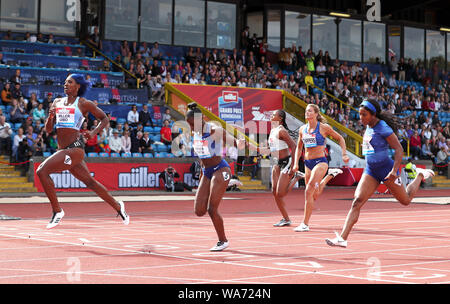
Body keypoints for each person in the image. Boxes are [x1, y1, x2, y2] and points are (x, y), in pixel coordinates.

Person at [325, 99, 435, 248]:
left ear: (373, 114)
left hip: (386, 170)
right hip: (371, 170)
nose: (361, 118)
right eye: (360, 115)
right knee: (357, 201)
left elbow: (399, 149)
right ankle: (343, 238)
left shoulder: (382, 127)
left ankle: (420, 175)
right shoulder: (368, 127)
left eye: (364, 115)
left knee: (406, 200)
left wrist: (394, 170)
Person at [36, 74, 129, 229]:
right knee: (90, 182)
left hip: (75, 148)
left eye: (69, 82)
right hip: (63, 149)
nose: (65, 84)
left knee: (42, 171)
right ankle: (118, 206)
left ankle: (57, 211)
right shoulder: (57, 102)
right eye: (65, 82)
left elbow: (104, 118)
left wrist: (93, 132)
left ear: (78, 86)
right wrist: (51, 116)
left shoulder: (84, 103)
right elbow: (48, 129)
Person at [186, 102, 245, 251]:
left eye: (193, 124)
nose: (192, 128)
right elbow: (201, 156)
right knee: (199, 211)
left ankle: (223, 241)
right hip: (207, 172)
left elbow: (233, 141)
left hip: (220, 168)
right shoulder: (195, 134)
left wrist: (240, 143)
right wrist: (201, 175)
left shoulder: (215, 130)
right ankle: (228, 182)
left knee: (212, 209)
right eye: (189, 125)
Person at [291, 104, 349, 232]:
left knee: (309, 189)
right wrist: (295, 163)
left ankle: (305, 224)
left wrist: (344, 153)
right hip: (308, 163)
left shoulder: (323, 128)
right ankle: (329, 177)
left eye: (310, 111)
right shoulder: (302, 129)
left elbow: (340, 138)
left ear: (316, 114)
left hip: (321, 162)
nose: (307, 113)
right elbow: (299, 147)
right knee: (314, 195)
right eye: (306, 111)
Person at [254, 110, 304, 227]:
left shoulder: (282, 131)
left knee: (280, 193)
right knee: (274, 193)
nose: (271, 115)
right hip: (275, 162)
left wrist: (294, 165)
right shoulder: (272, 130)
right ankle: (286, 219)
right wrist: (249, 145)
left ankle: (296, 178)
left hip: (286, 162)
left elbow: (294, 146)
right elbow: (266, 150)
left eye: (273, 114)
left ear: (280, 118)